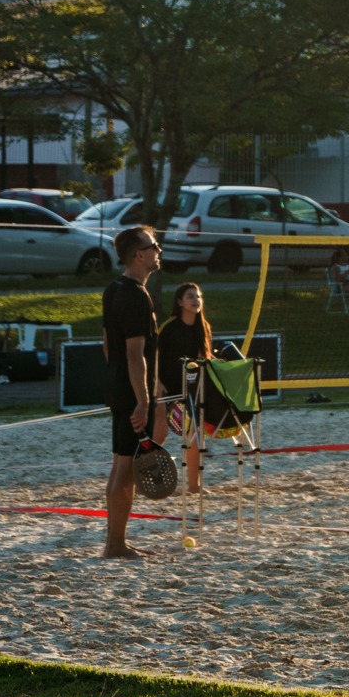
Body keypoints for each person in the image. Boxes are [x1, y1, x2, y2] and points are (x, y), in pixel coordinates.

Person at [102, 225, 164, 558]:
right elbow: (133, 353)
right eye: (154, 246)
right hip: (130, 392)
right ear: (139, 255)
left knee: (120, 465)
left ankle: (116, 541)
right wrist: (142, 400)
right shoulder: (136, 296)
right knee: (125, 470)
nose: (159, 251)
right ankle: (115, 545)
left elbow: (107, 344)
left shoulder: (114, 289)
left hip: (118, 385)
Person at [157, 282, 212, 496]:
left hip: (192, 389)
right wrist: (156, 383)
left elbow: (204, 359)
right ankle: (138, 477)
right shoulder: (169, 327)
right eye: (190, 296)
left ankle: (193, 485)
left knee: (195, 435)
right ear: (179, 302)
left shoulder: (203, 327)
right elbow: (152, 357)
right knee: (159, 436)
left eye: (198, 296)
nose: (196, 300)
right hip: (165, 387)